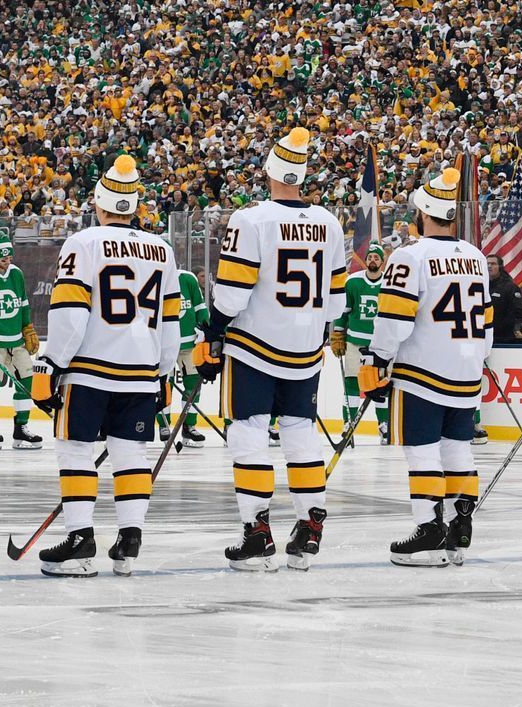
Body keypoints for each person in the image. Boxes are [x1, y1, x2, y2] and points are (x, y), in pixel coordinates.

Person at [193, 127, 350, 571]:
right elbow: (336, 301)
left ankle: (257, 531)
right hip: (306, 349)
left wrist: (213, 329)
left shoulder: (251, 219)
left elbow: (232, 293)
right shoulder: (329, 221)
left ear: (269, 170)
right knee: (301, 434)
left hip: (254, 346)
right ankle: (309, 525)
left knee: (249, 435)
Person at [31, 155, 180, 576]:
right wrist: (164, 373)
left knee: (75, 449)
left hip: (90, 368)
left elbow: (70, 315)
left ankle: (80, 540)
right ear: (133, 205)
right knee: (131, 453)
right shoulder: (162, 250)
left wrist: (52, 363)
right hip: (141, 371)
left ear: (99, 202)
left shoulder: (84, 243)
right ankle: (130, 539)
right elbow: (172, 323)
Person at [360, 167, 492, 566]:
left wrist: (378, 359)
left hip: (423, 372)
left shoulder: (410, 255)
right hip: (467, 371)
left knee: (422, 451)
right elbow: (486, 322)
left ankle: (429, 529)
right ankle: (459, 527)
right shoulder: (476, 257)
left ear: (423, 214)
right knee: (457, 450)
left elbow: (394, 319)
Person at [0, 235, 42, 450]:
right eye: (3, 259)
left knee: (26, 382)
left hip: (17, 341)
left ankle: (20, 428)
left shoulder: (16, 274)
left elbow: (23, 304)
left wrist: (28, 328)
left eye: (9, 257)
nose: (7, 261)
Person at [333, 243, 389, 443]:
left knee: (382, 385)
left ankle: (384, 425)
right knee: (351, 382)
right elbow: (343, 311)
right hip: (355, 341)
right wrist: (338, 333)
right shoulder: (352, 282)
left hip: (380, 345)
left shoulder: (389, 283)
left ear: (382, 261)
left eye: (376, 258)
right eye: (370, 257)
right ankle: (349, 423)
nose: (372, 260)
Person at [164, 267, 208, 447]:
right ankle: (164, 426)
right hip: (164, 345)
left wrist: (205, 330)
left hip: (189, 344)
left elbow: (199, 306)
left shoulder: (187, 278)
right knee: (164, 386)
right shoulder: (152, 276)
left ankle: (188, 426)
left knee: (193, 384)